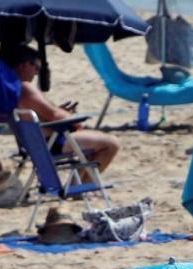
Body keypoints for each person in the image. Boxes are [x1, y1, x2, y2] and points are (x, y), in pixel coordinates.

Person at [7, 44, 121, 174]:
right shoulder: (25, 88)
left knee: (95, 141)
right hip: (53, 143)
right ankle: (83, 186)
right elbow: (55, 115)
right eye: (36, 67)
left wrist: (60, 111)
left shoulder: (10, 88)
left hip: (37, 144)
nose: (37, 72)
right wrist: (74, 120)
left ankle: (80, 188)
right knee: (111, 143)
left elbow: (42, 114)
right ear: (25, 65)